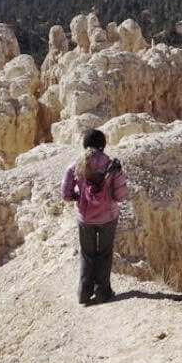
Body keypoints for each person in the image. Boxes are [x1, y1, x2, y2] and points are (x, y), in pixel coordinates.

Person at [60, 129, 128, 304]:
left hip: (85, 218)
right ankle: (102, 292)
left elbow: (65, 194)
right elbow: (120, 195)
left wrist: (80, 197)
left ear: (85, 145)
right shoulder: (112, 165)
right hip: (108, 217)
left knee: (87, 254)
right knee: (105, 254)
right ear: (102, 145)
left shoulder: (76, 165)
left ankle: (84, 293)